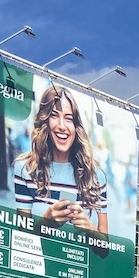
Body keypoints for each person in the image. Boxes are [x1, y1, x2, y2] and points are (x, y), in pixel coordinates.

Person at [10, 85, 107, 233]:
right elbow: (22, 240)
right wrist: (45, 222)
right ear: (45, 122)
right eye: (54, 116)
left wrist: (89, 228)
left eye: (68, 119)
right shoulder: (25, 169)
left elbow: (105, 252)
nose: (62, 126)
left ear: (76, 127)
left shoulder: (96, 176)